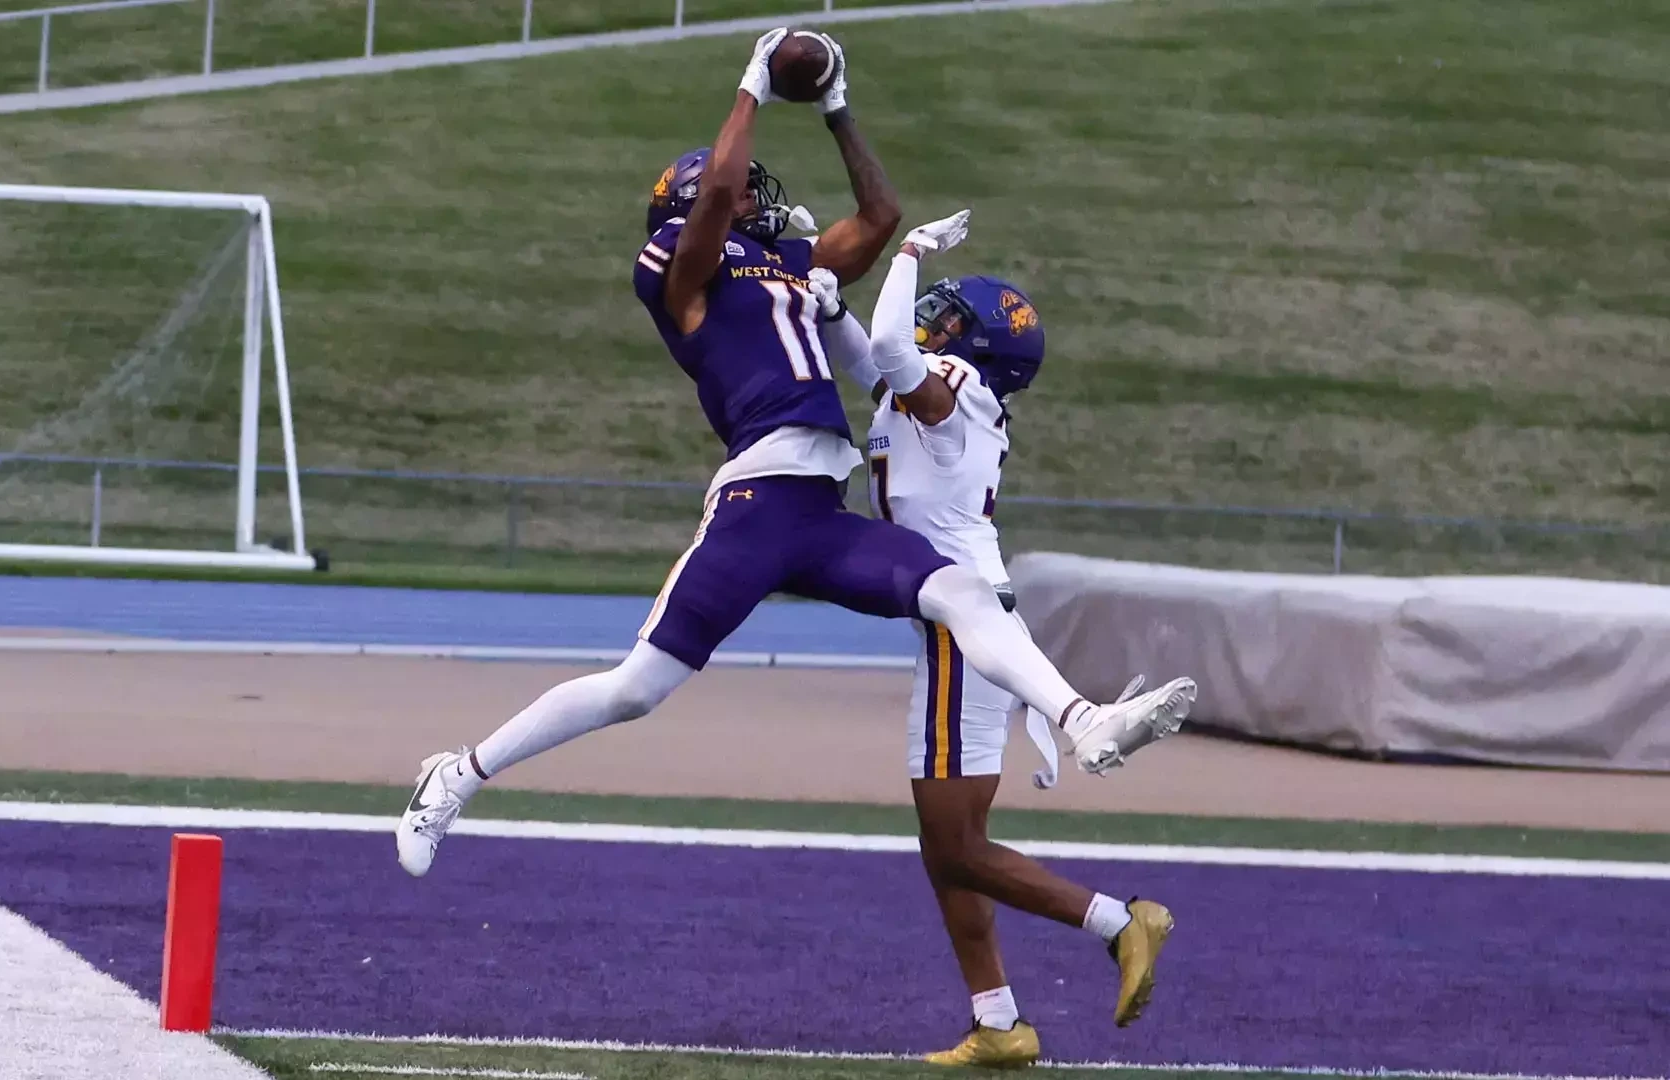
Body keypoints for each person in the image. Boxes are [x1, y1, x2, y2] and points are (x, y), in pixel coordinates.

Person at [396, 29, 1196, 935]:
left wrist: (837, 104)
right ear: (701, 206)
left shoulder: (789, 266)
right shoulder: (675, 268)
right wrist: (752, 85)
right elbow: (728, 196)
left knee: (964, 594)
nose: (763, 202)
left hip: (821, 507)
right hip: (755, 501)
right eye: (741, 194)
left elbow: (881, 214)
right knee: (635, 691)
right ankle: (457, 772)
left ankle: (1084, 719)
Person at [805, 224, 1182, 1067]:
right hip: (970, 620)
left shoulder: (955, 380)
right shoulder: (945, 392)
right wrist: (834, 315)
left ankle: (1122, 923)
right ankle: (1000, 1021)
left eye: (951, 318)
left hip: (960, 629)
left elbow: (897, 346)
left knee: (954, 846)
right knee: (951, 849)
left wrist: (903, 257)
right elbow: (875, 364)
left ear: (971, 346)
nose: (935, 325)